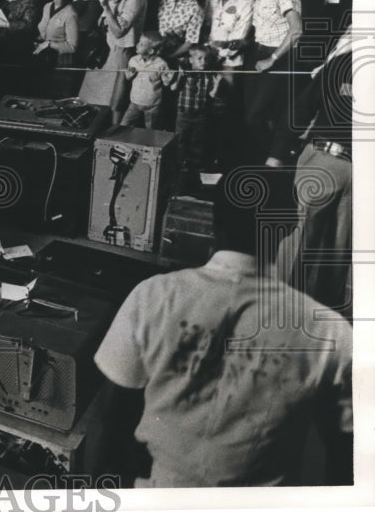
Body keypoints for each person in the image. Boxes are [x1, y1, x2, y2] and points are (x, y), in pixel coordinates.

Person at [93, 171, 352, 487]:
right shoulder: (328, 331)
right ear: (287, 228)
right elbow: (347, 452)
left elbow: (112, 419)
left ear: (212, 220)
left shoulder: (152, 295)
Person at [272, 34, 353, 316]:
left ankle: (321, 325)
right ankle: (282, 315)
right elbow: (302, 109)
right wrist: (277, 154)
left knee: (340, 255)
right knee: (301, 244)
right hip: (324, 159)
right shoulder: (345, 63)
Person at [239, 0, 302, 165]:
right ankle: (266, 161)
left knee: (255, 115)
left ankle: (273, 161)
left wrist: (272, 59)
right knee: (253, 115)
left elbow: (296, 30)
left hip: (279, 57)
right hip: (259, 53)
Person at [97, 0, 148, 122]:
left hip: (123, 49)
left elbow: (120, 30)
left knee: (116, 98)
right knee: (103, 94)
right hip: (109, 47)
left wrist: (105, 8)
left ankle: (113, 132)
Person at [169, 44, 221, 191]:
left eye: (205, 59)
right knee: (180, 142)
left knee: (197, 144)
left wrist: (217, 85)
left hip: (201, 116)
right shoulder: (185, 74)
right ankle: (178, 171)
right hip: (183, 115)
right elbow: (173, 88)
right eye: (199, 59)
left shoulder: (209, 75)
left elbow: (211, 96)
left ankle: (195, 173)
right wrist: (179, 76)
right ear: (191, 60)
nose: (203, 62)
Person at [121, 31, 174, 129]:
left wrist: (169, 76)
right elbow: (128, 78)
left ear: (150, 51)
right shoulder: (133, 60)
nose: (137, 45)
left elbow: (166, 83)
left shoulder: (161, 64)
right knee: (124, 126)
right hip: (134, 102)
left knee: (151, 130)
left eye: (141, 44)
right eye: (139, 42)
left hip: (152, 105)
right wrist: (130, 74)